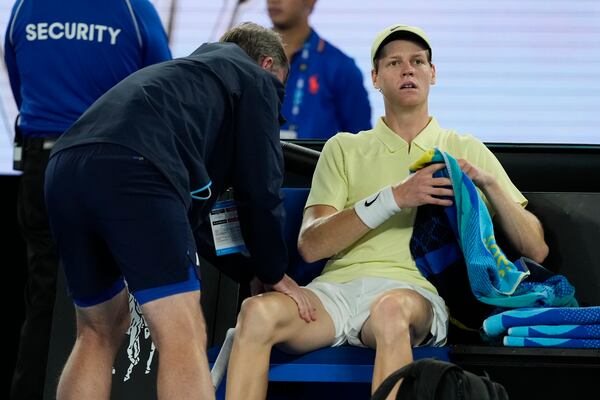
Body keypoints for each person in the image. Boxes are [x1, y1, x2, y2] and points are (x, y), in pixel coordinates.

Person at [224, 24, 549, 399]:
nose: (408, 69)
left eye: (417, 61)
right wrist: (395, 198)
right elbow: (311, 245)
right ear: (376, 78)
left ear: (433, 73)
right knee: (255, 312)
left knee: (391, 311)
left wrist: (489, 184)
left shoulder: (462, 147)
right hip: (336, 294)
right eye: (394, 62)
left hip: (412, 295)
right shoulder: (343, 147)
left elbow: (536, 249)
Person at [44, 22, 315, 399]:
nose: (276, 103)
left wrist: (250, 269)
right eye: (279, 91)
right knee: (182, 331)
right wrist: (274, 272)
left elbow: (198, 224)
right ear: (267, 64)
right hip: (135, 167)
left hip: (64, 169)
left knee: (97, 331)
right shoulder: (254, 79)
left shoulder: (183, 83)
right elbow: (261, 189)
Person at [4, 1, 171, 398]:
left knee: (45, 294)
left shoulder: (26, 7)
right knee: (105, 305)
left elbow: (17, 81)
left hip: (40, 159)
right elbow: (163, 84)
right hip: (104, 161)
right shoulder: (132, 8)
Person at [267, 0, 371, 139]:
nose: (274, 1)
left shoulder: (340, 66)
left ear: (310, 2)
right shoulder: (246, 58)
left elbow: (362, 144)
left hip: (313, 160)